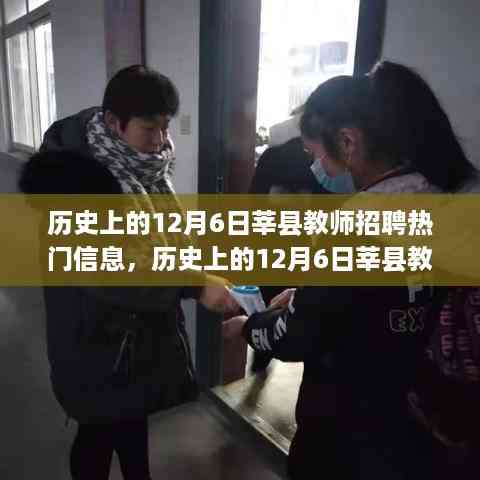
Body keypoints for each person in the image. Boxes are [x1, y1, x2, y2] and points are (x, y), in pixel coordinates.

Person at [224, 62, 479, 479]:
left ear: (348, 142)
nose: (316, 168)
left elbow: (299, 335)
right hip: (421, 427)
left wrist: (249, 327)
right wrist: (308, 293)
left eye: (316, 155)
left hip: (346, 430)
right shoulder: (444, 197)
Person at [19, 65, 237, 480]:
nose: (160, 140)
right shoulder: (73, 180)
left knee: (132, 422)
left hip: (135, 336)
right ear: (114, 122)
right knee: (97, 434)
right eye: (149, 129)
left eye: (165, 127)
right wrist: (193, 283)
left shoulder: (142, 168)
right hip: (96, 337)